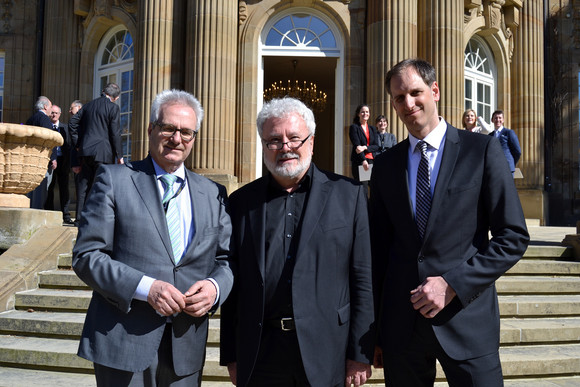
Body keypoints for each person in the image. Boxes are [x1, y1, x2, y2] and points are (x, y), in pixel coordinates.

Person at [369, 59, 529, 386]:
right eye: (399, 97)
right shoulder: (385, 167)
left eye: (415, 92)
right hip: (402, 330)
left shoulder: (481, 150)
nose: (408, 103)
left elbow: (512, 236)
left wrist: (453, 283)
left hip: (468, 321)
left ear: (435, 91)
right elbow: (377, 253)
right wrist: (375, 331)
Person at [72, 89, 234, 386]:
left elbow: (225, 260)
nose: (177, 138)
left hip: (186, 348)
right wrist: (147, 288)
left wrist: (214, 288)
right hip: (122, 342)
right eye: (168, 128)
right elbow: (87, 256)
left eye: (186, 132)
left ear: (194, 138)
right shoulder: (114, 180)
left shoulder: (213, 194)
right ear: (151, 129)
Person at [220, 97, 374, 387]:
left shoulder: (349, 196)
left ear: (312, 142)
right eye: (274, 140)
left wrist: (360, 353)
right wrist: (231, 354)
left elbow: (363, 278)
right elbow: (234, 281)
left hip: (328, 350)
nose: (285, 147)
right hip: (260, 353)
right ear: (263, 146)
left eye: (294, 138)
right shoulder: (240, 202)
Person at [68, 83, 124, 223]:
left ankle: (80, 218)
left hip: (86, 151)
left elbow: (72, 124)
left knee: (84, 185)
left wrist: (78, 145)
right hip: (103, 152)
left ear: (103, 91)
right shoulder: (113, 107)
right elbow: (115, 133)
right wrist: (120, 155)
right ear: (116, 97)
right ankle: (96, 218)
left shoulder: (88, 106)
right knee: (100, 185)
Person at [25, 96, 55, 209]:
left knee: (31, 187)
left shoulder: (31, 119)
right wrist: (53, 158)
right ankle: (37, 209)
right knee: (42, 188)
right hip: (43, 159)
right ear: (45, 106)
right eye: (51, 106)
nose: (51, 110)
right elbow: (49, 140)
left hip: (30, 158)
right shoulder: (44, 119)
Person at [46, 105, 74, 224]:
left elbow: (69, 145)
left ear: (60, 114)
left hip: (63, 161)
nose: (54, 115)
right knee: (49, 187)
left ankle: (66, 214)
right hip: (49, 161)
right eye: (52, 113)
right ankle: (49, 212)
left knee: (64, 188)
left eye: (56, 113)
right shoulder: (46, 127)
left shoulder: (65, 128)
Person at [349, 104, 379, 185]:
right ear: (358, 114)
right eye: (362, 112)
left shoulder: (372, 129)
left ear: (369, 114)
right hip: (361, 161)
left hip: (372, 160)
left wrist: (365, 147)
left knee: (374, 187)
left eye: (367, 112)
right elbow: (357, 147)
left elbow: (376, 146)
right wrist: (363, 160)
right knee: (363, 188)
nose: (365, 114)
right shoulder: (354, 127)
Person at [489, 109, 522, 176]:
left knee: (508, 187)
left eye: (500, 118)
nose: (498, 120)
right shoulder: (490, 135)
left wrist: (511, 162)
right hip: (494, 168)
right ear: (492, 120)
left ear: (503, 120)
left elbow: (517, 151)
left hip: (507, 168)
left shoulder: (509, 132)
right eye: (495, 118)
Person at [69, 100, 83, 225]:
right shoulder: (76, 123)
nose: (70, 111)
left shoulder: (78, 122)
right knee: (80, 190)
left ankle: (81, 217)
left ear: (78, 108)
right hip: (79, 161)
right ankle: (79, 217)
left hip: (85, 160)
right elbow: (73, 147)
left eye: (71, 108)